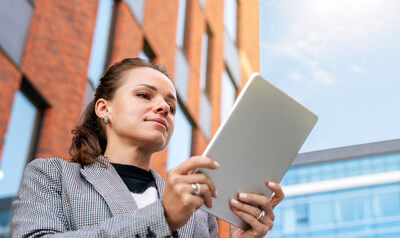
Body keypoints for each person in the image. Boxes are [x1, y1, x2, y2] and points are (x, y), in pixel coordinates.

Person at [11, 58, 284, 237]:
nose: (164, 107)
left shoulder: (200, 216)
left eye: (172, 107)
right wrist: (161, 218)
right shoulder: (52, 176)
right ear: (104, 108)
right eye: (144, 95)